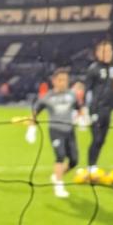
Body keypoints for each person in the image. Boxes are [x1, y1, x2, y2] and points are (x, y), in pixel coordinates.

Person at [30, 67, 81, 199]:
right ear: (54, 81)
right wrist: (32, 128)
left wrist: (82, 119)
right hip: (55, 130)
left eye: (65, 80)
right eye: (60, 80)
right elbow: (35, 112)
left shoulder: (72, 95)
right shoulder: (47, 97)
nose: (63, 82)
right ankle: (59, 186)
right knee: (60, 156)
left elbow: (79, 108)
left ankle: (57, 175)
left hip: (70, 131)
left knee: (74, 161)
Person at [79, 37, 113, 181]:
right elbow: (87, 90)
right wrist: (84, 111)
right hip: (95, 110)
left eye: (109, 50)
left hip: (108, 110)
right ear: (97, 53)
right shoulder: (93, 68)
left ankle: (93, 166)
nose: (108, 53)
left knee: (102, 140)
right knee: (96, 139)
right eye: (104, 51)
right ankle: (91, 168)